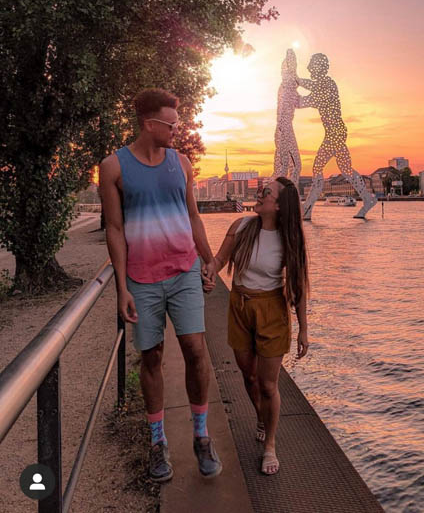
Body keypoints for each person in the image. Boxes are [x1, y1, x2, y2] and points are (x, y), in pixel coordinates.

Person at [99, 88, 222, 483]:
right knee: (151, 357)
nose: (176, 129)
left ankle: (201, 436)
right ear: (149, 124)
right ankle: (158, 441)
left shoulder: (181, 162)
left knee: (195, 350)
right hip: (142, 278)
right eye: (170, 124)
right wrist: (122, 288)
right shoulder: (113, 167)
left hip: (183, 270)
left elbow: (194, 217)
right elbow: (115, 229)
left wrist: (209, 260)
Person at [204, 177, 309, 475]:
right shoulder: (241, 227)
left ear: (278, 206)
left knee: (268, 384)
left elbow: (298, 286)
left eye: (266, 192)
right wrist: (209, 273)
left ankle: (270, 445)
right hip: (240, 307)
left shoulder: (290, 240)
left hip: (272, 310)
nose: (259, 195)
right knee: (249, 377)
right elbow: (220, 260)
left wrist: (303, 328)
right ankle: (261, 418)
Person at [296, 53, 378, 220]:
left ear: (318, 67)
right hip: (336, 132)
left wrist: (294, 89)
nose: (309, 67)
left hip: (335, 132)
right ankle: (368, 199)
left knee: (317, 168)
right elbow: (311, 86)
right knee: (346, 170)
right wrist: (296, 80)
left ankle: (308, 207)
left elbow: (307, 100)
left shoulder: (327, 84)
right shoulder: (323, 84)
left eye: (312, 64)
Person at [273, 48, 302, 185]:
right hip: (284, 129)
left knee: (285, 167)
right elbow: (284, 112)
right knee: (292, 166)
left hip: (282, 130)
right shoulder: (286, 87)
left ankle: (279, 197)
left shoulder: (286, 88)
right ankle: (286, 199)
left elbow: (299, 102)